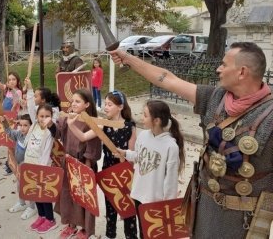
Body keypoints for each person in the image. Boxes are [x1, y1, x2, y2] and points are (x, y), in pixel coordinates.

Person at [110, 42, 273, 238]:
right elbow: (167, 79)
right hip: (204, 204)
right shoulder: (215, 97)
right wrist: (128, 58)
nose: (218, 69)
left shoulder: (270, 116)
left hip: (244, 222)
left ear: (242, 72)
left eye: (224, 64)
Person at [67, 90, 138, 239]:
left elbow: (132, 152)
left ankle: (131, 236)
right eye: (105, 104)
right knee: (110, 206)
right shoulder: (103, 125)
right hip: (107, 171)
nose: (105, 107)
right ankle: (110, 235)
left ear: (120, 107)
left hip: (124, 172)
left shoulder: (130, 127)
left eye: (109, 104)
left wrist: (123, 155)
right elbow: (84, 137)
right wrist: (71, 125)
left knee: (127, 206)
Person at [116, 100, 185, 238]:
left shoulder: (171, 146)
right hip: (138, 193)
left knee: (152, 235)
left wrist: (167, 204)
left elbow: (170, 181)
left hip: (155, 199)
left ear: (157, 120)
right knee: (142, 231)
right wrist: (125, 153)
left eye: (145, 115)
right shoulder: (143, 136)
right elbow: (139, 156)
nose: (142, 117)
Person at [53, 89, 102, 239]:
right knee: (68, 195)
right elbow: (57, 134)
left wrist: (86, 167)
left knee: (84, 199)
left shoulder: (93, 123)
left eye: (78, 101)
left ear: (87, 104)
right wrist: (50, 122)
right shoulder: (68, 118)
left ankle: (85, 229)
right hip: (68, 163)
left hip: (83, 164)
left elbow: (91, 146)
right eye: (72, 101)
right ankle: (70, 224)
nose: (73, 103)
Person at [24, 104, 58, 234]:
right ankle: (41, 216)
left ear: (52, 117)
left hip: (43, 167)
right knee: (35, 193)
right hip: (30, 164)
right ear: (36, 116)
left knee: (44, 195)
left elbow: (56, 130)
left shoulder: (50, 130)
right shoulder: (34, 126)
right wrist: (30, 89)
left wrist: (51, 122)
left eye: (47, 116)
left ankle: (50, 219)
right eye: (41, 116)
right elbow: (30, 104)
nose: (44, 118)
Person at [6, 114, 37, 220]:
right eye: (21, 125)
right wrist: (4, 123)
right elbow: (10, 133)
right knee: (19, 186)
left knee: (30, 187)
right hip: (19, 167)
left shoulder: (34, 138)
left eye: (26, 125)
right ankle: (22, 203)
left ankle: (32, 207)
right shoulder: (19, 134)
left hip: (30, 168)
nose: (22, 128)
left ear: (31, 126)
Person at [0, 72, 23, 175]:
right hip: (5, 119)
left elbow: (15, 105)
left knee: (11, 144)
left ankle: (13, 164)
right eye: (9, 79)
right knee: (8, 143)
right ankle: (9, 162)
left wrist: (12, 88)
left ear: (18, 81)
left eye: (13, 79)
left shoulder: (18, 92)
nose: (11, 81)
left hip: (12, 120)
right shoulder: (7, 91)